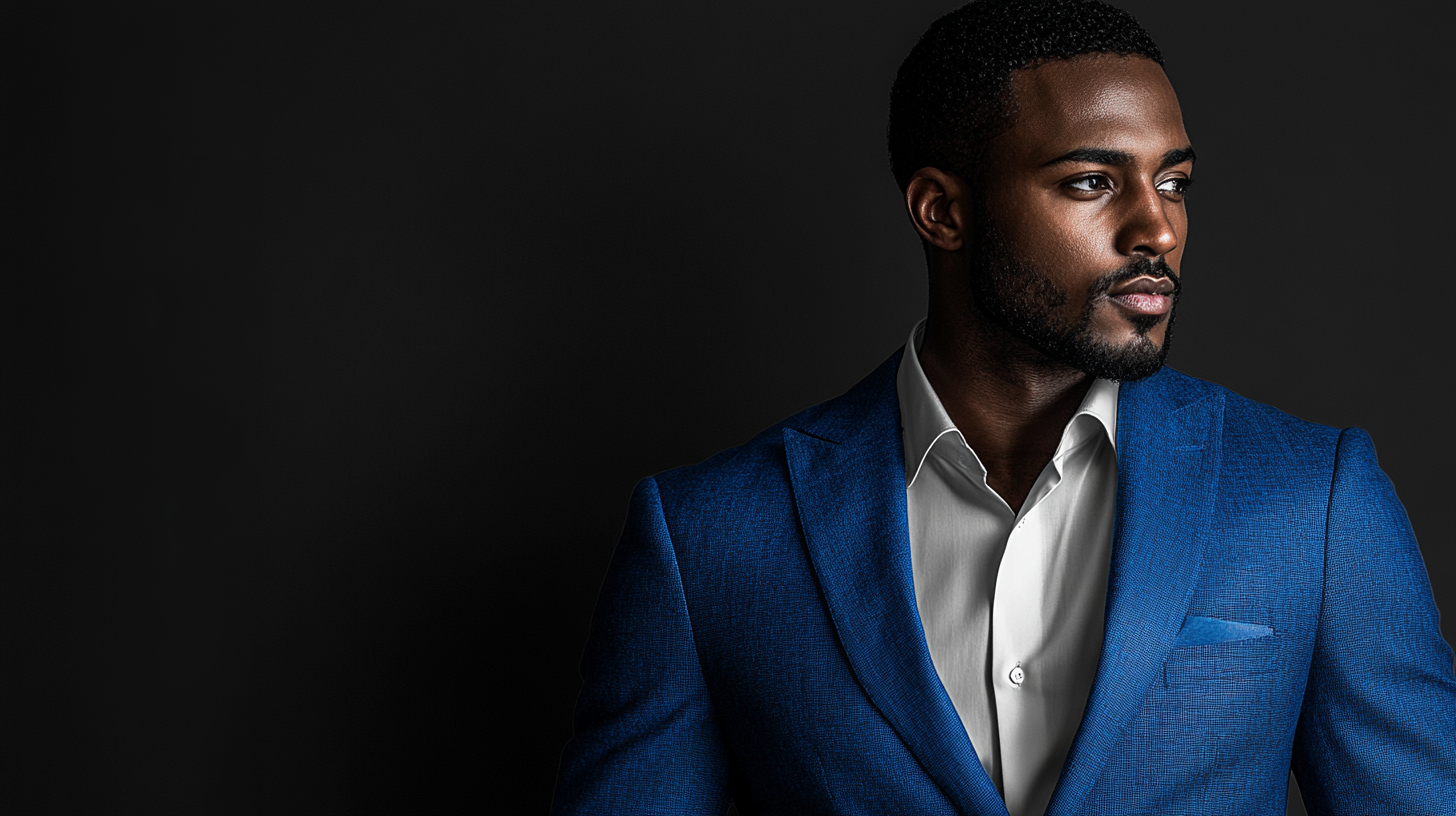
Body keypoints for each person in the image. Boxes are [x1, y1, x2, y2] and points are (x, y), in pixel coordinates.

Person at [551, 1, 1456, 813]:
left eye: (1173, 181)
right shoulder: (707, 537)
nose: (1159, 229)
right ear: (942, 211)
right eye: (1092, 182)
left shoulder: (1315, 502)